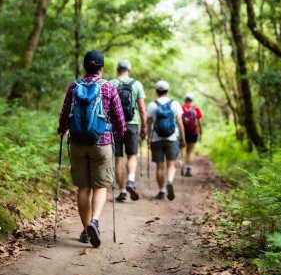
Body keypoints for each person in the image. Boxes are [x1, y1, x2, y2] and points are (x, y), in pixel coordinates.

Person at [58, 50, 126, 248]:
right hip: (102, 142)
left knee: (84, 187)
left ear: (84, 67)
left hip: (78, 142)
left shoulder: (74, 86)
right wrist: (120, 133)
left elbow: (65, 113)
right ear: (102, 68)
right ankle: (95, 221)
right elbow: (118, 117)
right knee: (101, 186)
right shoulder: (109, 87)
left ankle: (86, 230)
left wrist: (62, 130)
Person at [111, 60, 147, 202]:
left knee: (118, 158)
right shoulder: (136, 84)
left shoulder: (111, 83)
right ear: (129, 70)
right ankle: (131, 180)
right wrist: (144, 126)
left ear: (117, 70)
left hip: (115, 126)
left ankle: (122, 191)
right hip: (132, 124)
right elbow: (142, 109)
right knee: (132, 155)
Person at [146, 80, 186, 201]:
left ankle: (162, 191)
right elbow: (180, 122)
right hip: (172, 138)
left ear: (157, 91)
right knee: (171, 164)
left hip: (156, 138)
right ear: (167, 91)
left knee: (159, 166)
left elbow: (148, 124)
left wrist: (148, 139)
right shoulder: (175, 104)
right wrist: (182, 139)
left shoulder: (152, 105)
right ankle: (169, 180)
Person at [181, 93, 203, 177]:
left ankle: (182, 165)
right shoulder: (195, 109)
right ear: (192, 100)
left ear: (184, 99)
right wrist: (201, 133)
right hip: (193, 132)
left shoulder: (181, 108)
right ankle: (188, 169)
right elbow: (199, 123)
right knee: (190, 151)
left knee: (182, 149)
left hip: (183, 132)